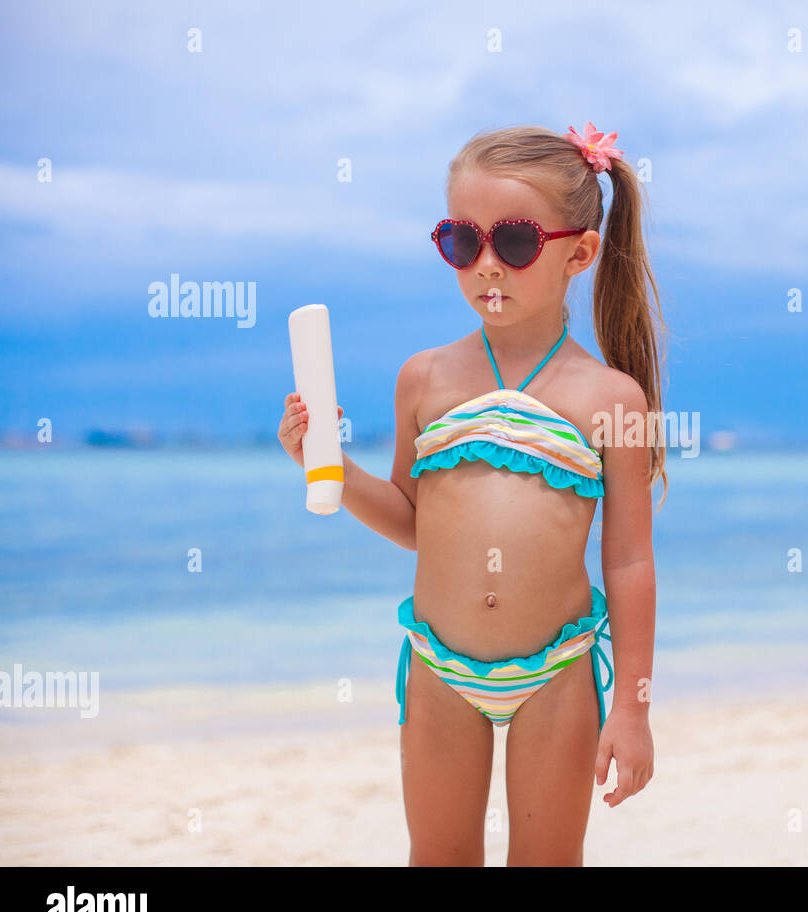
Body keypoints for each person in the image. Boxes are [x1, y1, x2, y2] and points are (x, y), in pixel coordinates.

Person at [278, 122, 666, 865]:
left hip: (555, 671)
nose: (487, 265)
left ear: (579, 252)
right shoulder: (424, 379)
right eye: (463, 241)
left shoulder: (610, 397)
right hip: (438, 667)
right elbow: (414, 522)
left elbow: (628, 564)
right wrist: (328, 467)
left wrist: (634, 711)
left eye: (516, 242)